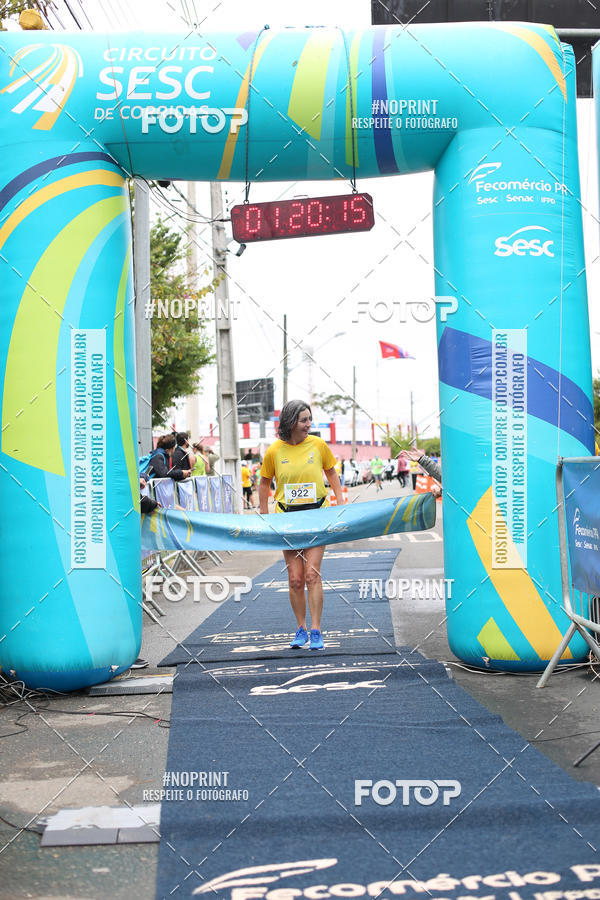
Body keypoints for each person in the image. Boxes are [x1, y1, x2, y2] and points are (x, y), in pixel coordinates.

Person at [258, 399, 343, 651]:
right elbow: (264, 483)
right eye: (304, 420)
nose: (309, 424)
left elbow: (331, 473)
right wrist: (264, 514)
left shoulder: (317, 445)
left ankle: (316, 630)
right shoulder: (274, 450)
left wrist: (339, 501)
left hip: (317, 516)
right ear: (290, 421)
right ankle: (301, 629)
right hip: (287, 519)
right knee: (295, 579)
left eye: (309, 419)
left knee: (311, 574)